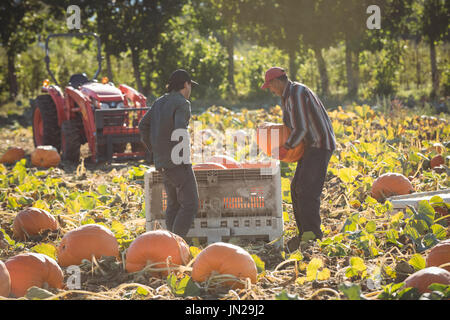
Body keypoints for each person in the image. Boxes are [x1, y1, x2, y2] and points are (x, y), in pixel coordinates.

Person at [261, 67, 336, 251]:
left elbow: (300, 128)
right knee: (296, 188)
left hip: (319, 145)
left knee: (308, 191)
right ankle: (304, 234)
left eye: (270, 86)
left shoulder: (297, 93)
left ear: (276, 82)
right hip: (310, 146)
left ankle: (313, 237)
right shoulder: (288, 95)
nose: (271, 91)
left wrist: (286, 148)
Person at [138, 69, 199, 239]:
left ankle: (168, 244)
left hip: (163, 162)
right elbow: (180, 128)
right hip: (178, 162)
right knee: (190, 204)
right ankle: (175, 244)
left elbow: (143, 126)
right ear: (186, 84)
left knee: (174, 204)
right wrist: (182, 154)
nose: (190, 90)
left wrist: (155, 150)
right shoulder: (181, 103)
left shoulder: (159, 102)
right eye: (190, 86)